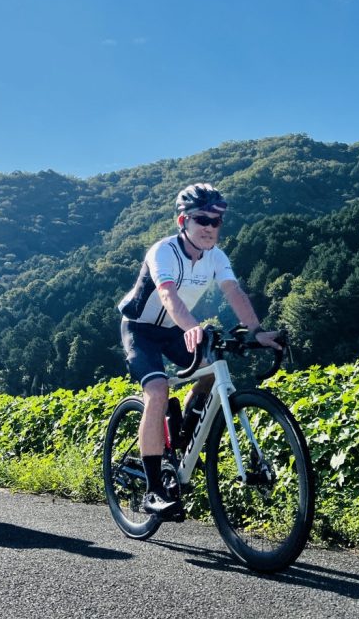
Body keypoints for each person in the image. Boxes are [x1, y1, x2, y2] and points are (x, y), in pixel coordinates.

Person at [117, 183, 282, 519]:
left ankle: (180, 440)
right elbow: (167, 296)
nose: (209, 227)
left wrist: (256, 331)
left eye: (217, 221)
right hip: (141, 330)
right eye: (202, 219)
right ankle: (152, 490)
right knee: (158, 390)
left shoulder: (217, 257)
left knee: (209, 371)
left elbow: (234, 292)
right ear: (184, 220)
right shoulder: (162, 251)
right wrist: (192, 326)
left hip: (176, 329)